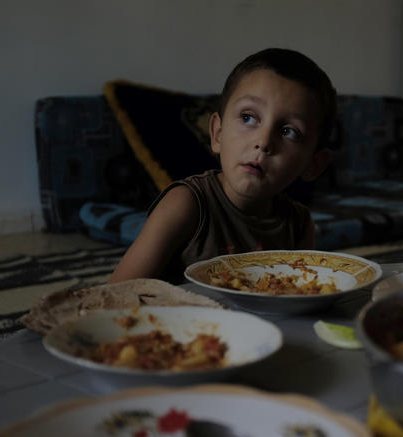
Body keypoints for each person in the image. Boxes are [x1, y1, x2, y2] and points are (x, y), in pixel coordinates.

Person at [108, 48, 335, 284]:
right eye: (248, 117)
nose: (264, 141)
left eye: (289, 132)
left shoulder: (298, 226)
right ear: (217, 133)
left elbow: (299, 295)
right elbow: (117, 293)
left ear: (313, 165)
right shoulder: (186, 204)